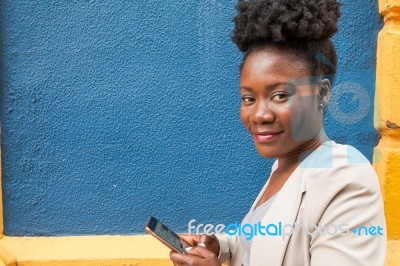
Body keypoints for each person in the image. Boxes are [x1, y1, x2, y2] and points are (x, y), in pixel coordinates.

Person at [170, 0, 387, 265]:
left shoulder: (346, 178)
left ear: (322, 93)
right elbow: (270, 241)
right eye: (248, 98)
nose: (259, 115)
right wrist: (223, 247)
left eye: (280, 95)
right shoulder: (285, 167)